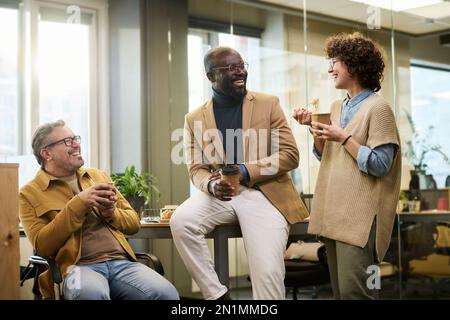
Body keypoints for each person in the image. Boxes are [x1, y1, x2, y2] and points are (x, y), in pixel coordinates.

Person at [170, 46, 309, 300]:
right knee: (181, 221)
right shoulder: (193, 119)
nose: (241, 71)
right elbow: (197, 169)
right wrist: (211, 186)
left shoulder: (268, 104)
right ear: (212, 76)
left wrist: (246, 171)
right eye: (231, 68)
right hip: (222, 195)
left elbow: (290, 155)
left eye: (242, 65)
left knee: (267, 274)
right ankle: (218, 296)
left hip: (265, 195)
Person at [292, 32, 402, 299]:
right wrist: (316, 132)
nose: (330, 69)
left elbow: (380, 165)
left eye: (335, 61)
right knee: (341, 295)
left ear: (354, 64)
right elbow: (328, 157)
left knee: (358, 295)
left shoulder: (379, 109)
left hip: (359, 221)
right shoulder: (336, 107)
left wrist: (343, 137)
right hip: (333, 216)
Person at [19, 120, 179, 300]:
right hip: (77, 268)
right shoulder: (29, 193)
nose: (77, 144)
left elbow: (133, 224)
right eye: (67, 141)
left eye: (76, 139)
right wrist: (78, 204)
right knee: (90, 294)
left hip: (122, 263)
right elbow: (42, 244)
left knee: (166, 293)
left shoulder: (98, 176)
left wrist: (111, 213)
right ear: (47, 153)